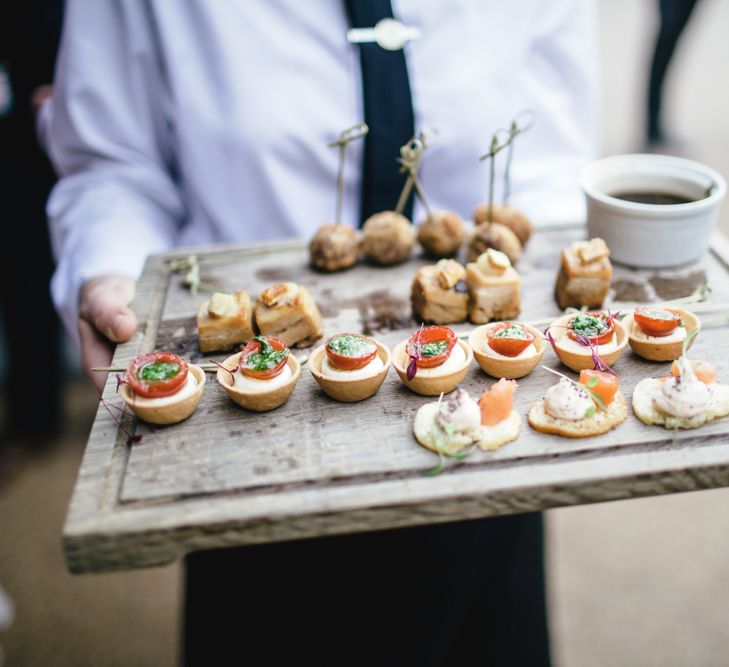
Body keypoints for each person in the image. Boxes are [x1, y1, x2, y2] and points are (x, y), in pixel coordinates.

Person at [47, 2, 599, 665]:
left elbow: (554, 153)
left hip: (486, 440)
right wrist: (109, 266)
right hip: (243, 457)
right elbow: (112, 163)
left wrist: (542, 282)